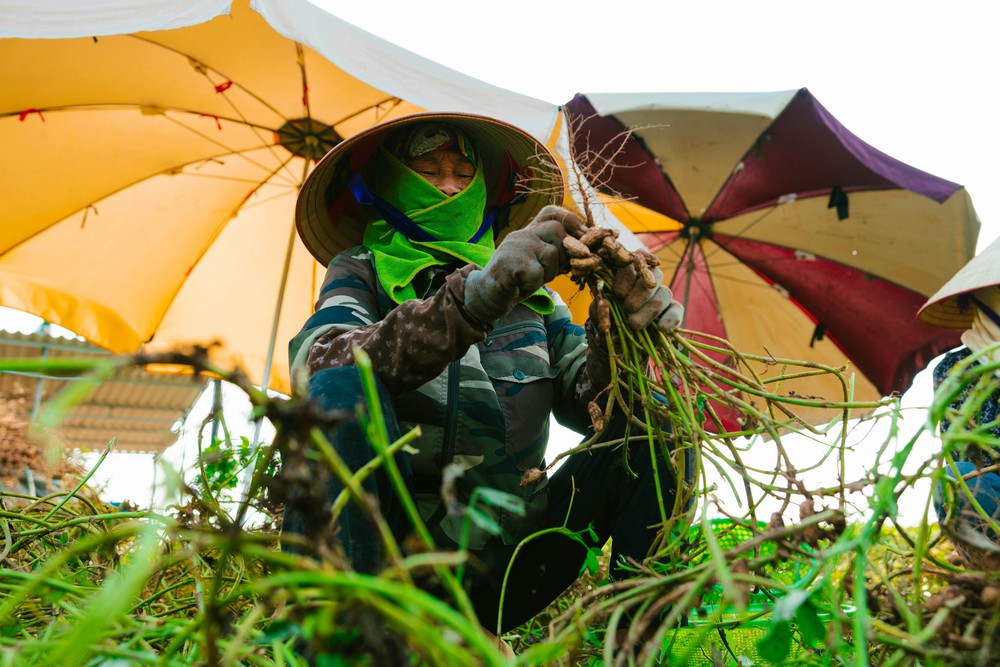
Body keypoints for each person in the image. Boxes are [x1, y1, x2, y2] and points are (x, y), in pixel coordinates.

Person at [285, 112, 688, 638]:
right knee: (340, 387)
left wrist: (621, 335)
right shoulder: (360, 268)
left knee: (657, 432)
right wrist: (470, 302)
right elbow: (320, 362)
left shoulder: (536, 299)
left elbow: (598, 405)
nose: (451, 186)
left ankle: (636, 647)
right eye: (429, 172)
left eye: (462, 173)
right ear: (390, 185)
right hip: (388, 553)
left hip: (509, 558)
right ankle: (338, 637)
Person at [918, 235, 1000, 570]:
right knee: (957, 481)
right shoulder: (956, 371)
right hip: (994, 505)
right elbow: (965, 461)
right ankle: (990, 578)